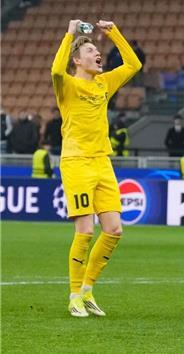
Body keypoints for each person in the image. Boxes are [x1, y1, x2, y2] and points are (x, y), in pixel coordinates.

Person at [53, 19, 142, 317]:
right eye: (91, 49)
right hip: (76, 161)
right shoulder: (67, 84)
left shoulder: (104, 83)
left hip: (102, 161)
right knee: (85, 230)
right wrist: (71, 34)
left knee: (114, 230)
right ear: (77, 60)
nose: (97, 53)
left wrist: (114, 32)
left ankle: (89, 290)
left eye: (97, 49)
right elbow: (55, 70)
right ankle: (74, 295)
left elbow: (133, 65)